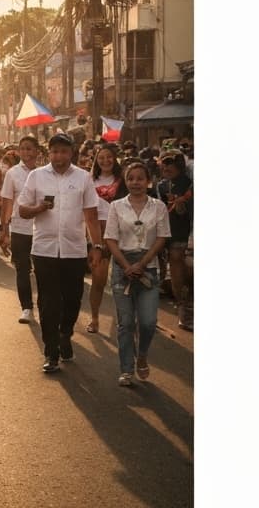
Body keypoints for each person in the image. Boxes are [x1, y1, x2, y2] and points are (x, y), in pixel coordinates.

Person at [17, 133, 106, 373]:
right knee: (48, 301)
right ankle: (51, 351)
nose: (59, 156)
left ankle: (65, 332)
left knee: (73, 298)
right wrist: (39, 208)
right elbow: (23, 210)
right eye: (55, 151)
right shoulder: (36, 176)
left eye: (64, 151)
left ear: (72, 152)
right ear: (49, 153)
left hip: (74, 250)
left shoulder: (83, 177)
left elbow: (91, 215)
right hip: (44, 249)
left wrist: (96, 246)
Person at [103, 160, 171, 386]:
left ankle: (142, 355)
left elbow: (162, 237)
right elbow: (110, 238)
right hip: (122, 266)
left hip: (148, 267)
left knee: (148, 321)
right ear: (125, 180)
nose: (135, 183)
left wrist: (142, 263)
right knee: (125, 322)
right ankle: (126, 369)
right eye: (131, 178)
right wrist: (126, 265)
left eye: (140, 178)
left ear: (148, 181)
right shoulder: (116, 206)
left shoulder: (158, 206)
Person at [0, 137, 40, 324]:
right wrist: (4, 231)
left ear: (37, 151)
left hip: (43, 230)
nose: (26, 152)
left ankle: (45, 306)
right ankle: (27, 307)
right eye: (22, 149)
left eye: (30, 149)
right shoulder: (12, 174)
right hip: (20, 229)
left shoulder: (46, 172)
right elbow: (6, 202)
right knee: (22, 269)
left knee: (43, 271)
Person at [87, 147, 128, 334]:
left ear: (115, 159)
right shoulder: (89, 180)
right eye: (101, 158)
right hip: (98, 231)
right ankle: (94, 318)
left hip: (121, 232)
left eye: (109, 157)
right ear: (96, 160)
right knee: (99, 279)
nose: (105, 161)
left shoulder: (124, 181)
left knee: (123, 278)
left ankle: (125, 319)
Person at [155, 151, 194, 330]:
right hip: (165, 234)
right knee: (165, 268)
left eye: (170, 163)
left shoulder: (190, 183)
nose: (166, 167)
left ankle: (184, 309)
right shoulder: (161, 186)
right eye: (163, 163)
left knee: (178, 264)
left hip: (185, 234)